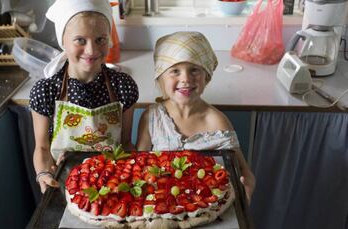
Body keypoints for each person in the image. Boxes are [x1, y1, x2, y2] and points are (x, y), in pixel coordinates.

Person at [30, 0, 139, 193]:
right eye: (80, 40)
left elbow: (125, 144)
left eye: (100, 39)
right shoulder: (45, 91)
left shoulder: (123, 86)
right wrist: (43, 175)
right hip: (64, 184)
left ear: (109, 39)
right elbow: (42, 149)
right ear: (63, 40)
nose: (91, 50)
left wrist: (134, 176)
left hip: (112, 185)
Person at [136, 31, 255, 202]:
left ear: (206, 76)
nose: (185, 79)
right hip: (160, 205)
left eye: (194, 70)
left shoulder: (217, 122)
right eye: (175, 71)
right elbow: (139, 165)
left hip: (208, 205)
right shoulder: (152, 118)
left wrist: (247, 189)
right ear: (161, 77)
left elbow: (244, 172)